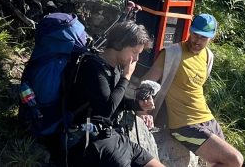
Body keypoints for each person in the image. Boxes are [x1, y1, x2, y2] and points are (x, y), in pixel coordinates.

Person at [46, 20, 166, 167]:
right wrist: (126, 77)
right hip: (92, 142)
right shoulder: (92, 67)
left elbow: (116, 101)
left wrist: (138, 104)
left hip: (116, 138)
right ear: (119, 44)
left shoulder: (114, 68)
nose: (136, 59)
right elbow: (106, 109)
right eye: (134, 52)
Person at [144, 14, 244, 167]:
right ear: (190, 30)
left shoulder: (208, 56)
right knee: (235, 160)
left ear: (211, 38)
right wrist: (143, 112)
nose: (197, 41)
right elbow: (147, 83)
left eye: (203, 38)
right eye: (195, 34)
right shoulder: (172, 53)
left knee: (225, 162)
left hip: (207, 118)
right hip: (184, 125)